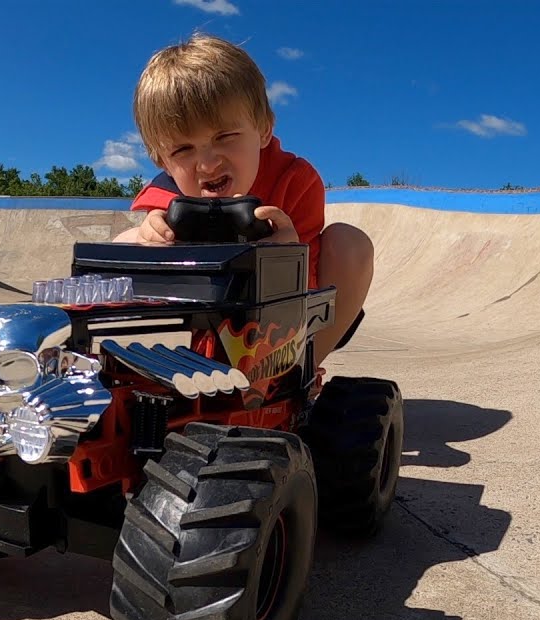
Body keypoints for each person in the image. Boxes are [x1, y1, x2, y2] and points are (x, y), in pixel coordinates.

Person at [112, 32, 374, 369]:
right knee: (127, 244)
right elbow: (129, 262)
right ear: (161, 159)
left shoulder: (293, 181)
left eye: (225, 137)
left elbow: (310, 294)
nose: (207, 164)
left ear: (264, 129)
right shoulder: (168, 197)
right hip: (200, 320)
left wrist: (288, 252)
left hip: (286, 322)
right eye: (182, 149)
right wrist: (148, 237)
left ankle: (301, 372)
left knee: (350, 243)